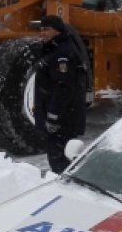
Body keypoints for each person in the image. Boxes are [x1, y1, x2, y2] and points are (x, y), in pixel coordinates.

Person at [33, 15, 88, 174]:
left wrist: (53, 116)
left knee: (61, 161)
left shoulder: (62, 53)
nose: (42, 33)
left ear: (57, 31)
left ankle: (66, 190)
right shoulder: (54, 49)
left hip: (63, 120)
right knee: (61, 157)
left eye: (46, 29)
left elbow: (63, 87)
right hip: (61, 118)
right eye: (41, 29)